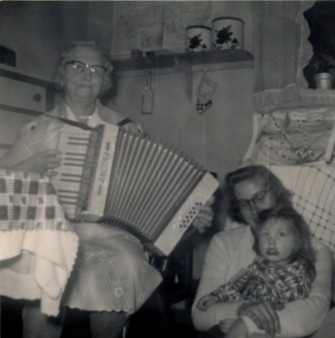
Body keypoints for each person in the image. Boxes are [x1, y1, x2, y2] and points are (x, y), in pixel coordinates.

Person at [0, 40, 214, 338]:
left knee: (124, 265)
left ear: (105, 80)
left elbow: (151, 187)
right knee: (44, 275)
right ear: (62, 74)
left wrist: (188, 214)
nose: (87, 75)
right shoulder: (39, 128)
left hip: (111, 233)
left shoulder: (126, 129)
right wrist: (30, 166)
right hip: (51, 229)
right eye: (77, 66)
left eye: (96, 69)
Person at [192, 165, 332, 338]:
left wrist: (246, 324)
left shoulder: (315, 250)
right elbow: (200, 314)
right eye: (244, 203)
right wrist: (242, 309)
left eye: (259, 197)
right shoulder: (223, 242)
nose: (254, 209)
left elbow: (315, 310)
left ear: (277, 194)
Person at [197, 205, 316, 337]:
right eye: (265, 234)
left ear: (296, 242)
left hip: (273, 330)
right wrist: (217, 296)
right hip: (246, 319)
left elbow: (279, 312)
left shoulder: (298, 275)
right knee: (212, 332)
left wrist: (244, 323)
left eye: (281, 234)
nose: (271, 241)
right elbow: (236, 285)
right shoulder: (257, 264)